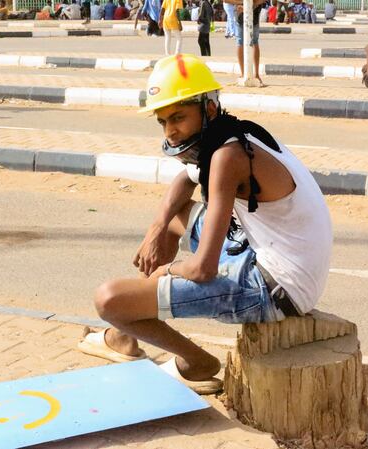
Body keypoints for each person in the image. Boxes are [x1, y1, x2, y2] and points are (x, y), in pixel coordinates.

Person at [76, 54, 332, 394]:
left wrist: (166, 272)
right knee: (175, 218)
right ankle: (125, 337)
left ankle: (196, 363)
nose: (171, 130)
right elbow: (185, 181)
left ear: (208, 108)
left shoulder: (228, 157)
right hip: (267, 260)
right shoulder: (228, 137)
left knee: (108, 299)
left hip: (275, 289)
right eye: (163, 121)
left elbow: (203, 269)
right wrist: (156, 229)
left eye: (179, 117)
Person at [226, 0, 266, 84]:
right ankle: (244, 73)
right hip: (241, 16)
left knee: (252, 42)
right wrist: (244, 4)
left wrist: (247, 6)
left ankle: (256, 74)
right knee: (242, 42)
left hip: (252, 16)